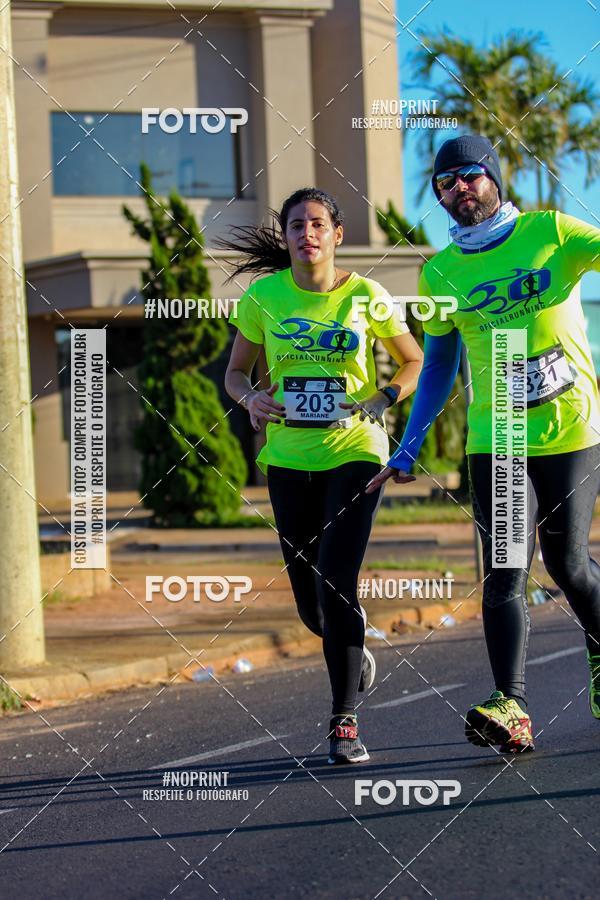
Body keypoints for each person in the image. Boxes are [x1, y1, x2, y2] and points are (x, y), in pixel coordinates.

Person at [367, 135, 600, 753]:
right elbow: (439, 362)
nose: (457, 188)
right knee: (505, 569)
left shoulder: (553, 232)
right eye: (444, 183)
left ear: (492, 176)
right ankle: (513, 705)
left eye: (468, 175)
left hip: (571, 427)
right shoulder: (440, 271)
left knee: (568, 565)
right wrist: (409, 445)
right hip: (495, 437)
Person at [223, 188, 423, 763]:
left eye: (317, 224)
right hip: (287, 457)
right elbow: (237, 373)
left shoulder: (366, 295)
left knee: (337, 578)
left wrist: (385, 396)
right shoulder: (263, 297)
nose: (306, 234)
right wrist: (251, 401)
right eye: (295, 225)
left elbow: (413, 361)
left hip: (355, 448)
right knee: (312, 603)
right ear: (284, 238)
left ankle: (344, 722)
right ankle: (351, 647)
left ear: (336, 234)